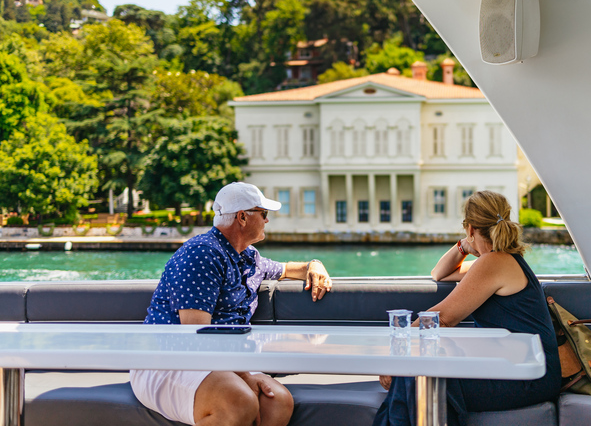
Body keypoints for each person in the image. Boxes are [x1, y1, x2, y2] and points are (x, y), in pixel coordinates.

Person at [130, 182, 333, 426]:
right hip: (166, 360)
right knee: (238, 400)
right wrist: (245, 376)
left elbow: (287, 269)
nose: (267, 221)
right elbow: (196, 336)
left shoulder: (248, 257)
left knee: (278, 401)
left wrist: (315, 265)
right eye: (264, 214)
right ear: (242, 218)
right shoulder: (201, 254)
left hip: (222, 362)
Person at [374, 190, 560, 426]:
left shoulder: (493, 262)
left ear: (471, 228)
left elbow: (441, 319)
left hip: (528, 375)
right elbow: (439, 274)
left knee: (417, 379)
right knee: (416, 378)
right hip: (519, 368)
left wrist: (395, 355)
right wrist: (464, 246)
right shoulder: (499, 260)